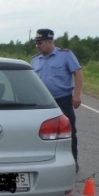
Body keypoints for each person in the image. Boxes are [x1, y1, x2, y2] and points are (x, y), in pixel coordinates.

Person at [31, 28, 83, 172]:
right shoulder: (35, 60)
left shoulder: (65, 55)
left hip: (62, 100)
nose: (37, 46)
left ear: (49, 41)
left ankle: (73, 162)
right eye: (36, 43)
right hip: (42, 103)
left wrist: (77, 94)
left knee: (69, 131)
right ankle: (42, 161)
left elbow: (78, 73)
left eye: (40, 43)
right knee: (39, 132)